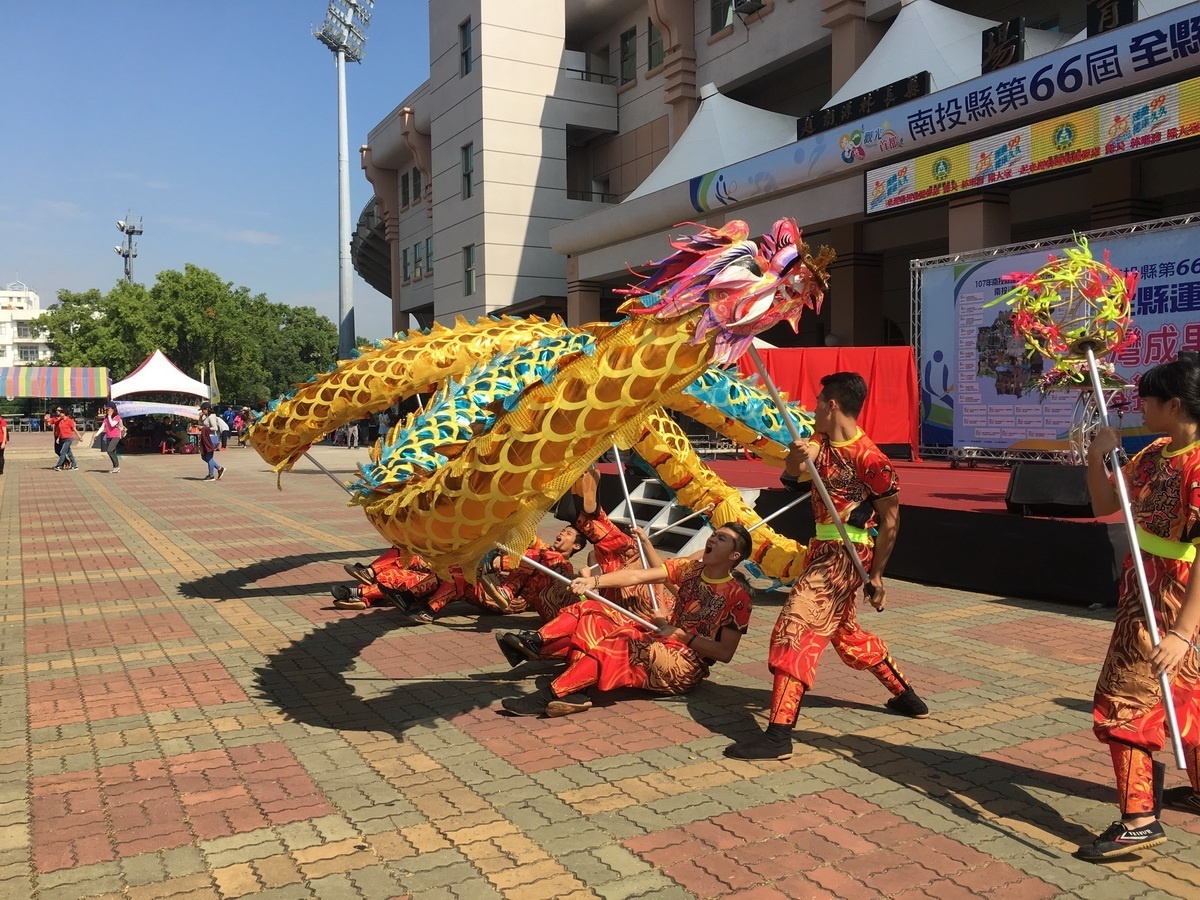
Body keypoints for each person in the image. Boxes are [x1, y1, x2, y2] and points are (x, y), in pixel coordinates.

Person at [724, 372, 927, 762]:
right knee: (844, 631)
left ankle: (779, 734)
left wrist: (879, 575)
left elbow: (890, 521)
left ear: (832, 404)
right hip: (821, 548)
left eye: (818, 401)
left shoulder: (871, 458)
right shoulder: (818, 442)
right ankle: (906, 695)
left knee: (796, 624)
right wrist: (794, 461)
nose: (814, 408)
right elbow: (795, 478)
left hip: (848, 552)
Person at [1074, 356, 1200, 862]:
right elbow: (1109, 505)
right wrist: (1097, 457)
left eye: (1149, 400)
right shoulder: (1156, 452)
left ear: (1174, 405)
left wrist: (1184, 632)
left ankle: (1139, 819)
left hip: (1172, 601)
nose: (1141, 407)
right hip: (1142, 586)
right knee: (1187, 696)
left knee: (1124, 700)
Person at [497, 522, 754, 718]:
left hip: (685, 666)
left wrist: (680, 635)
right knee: (592, 611)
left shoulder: (738, 597)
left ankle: (549, 695)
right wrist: (593, 581)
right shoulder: (690, 570)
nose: (712, 539)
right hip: (660, 639)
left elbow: (725, 653)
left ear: (734, 556)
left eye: (722, 539)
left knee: (625, 638)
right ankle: (567, 680)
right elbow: (636, 577)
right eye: (714, 534)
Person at [198, 403, 226, 481]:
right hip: (207, 438)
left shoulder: (211, 417)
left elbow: (215, 428)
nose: (202, 412)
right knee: (204, 457)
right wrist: (200, 417)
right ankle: (219, 468)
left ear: (207, 409)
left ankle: (211, 475)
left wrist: (203, 428)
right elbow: (200, 423)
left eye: (203, 410)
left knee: (209, 457)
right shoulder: (206, 417)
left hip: (212, 438)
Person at [45, 407, 78, 471]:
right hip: (58, 436)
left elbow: (73, 426)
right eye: (57, 410)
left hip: (67, 437)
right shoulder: (55, 419)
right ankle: (71, 463)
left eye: (60, 411)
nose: (58, 412)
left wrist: (79, 436)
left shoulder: (65, 419)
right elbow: (48, 424)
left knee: (62, 451)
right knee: (60, 451)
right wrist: (46, 420)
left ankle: (59, 465)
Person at [100, 403, 122, 473]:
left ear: (113, 409)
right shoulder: (106, 418)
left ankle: (116, 466)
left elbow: (112, 424)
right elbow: (102, 427)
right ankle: (116, 467)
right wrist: (96, 434)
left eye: (109, 409)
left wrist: (109, 416)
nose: (107, 410)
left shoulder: (117, 417)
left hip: (116, 436)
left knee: (109, 450)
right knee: (113, 452)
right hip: (109, 436)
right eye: (107, 409)